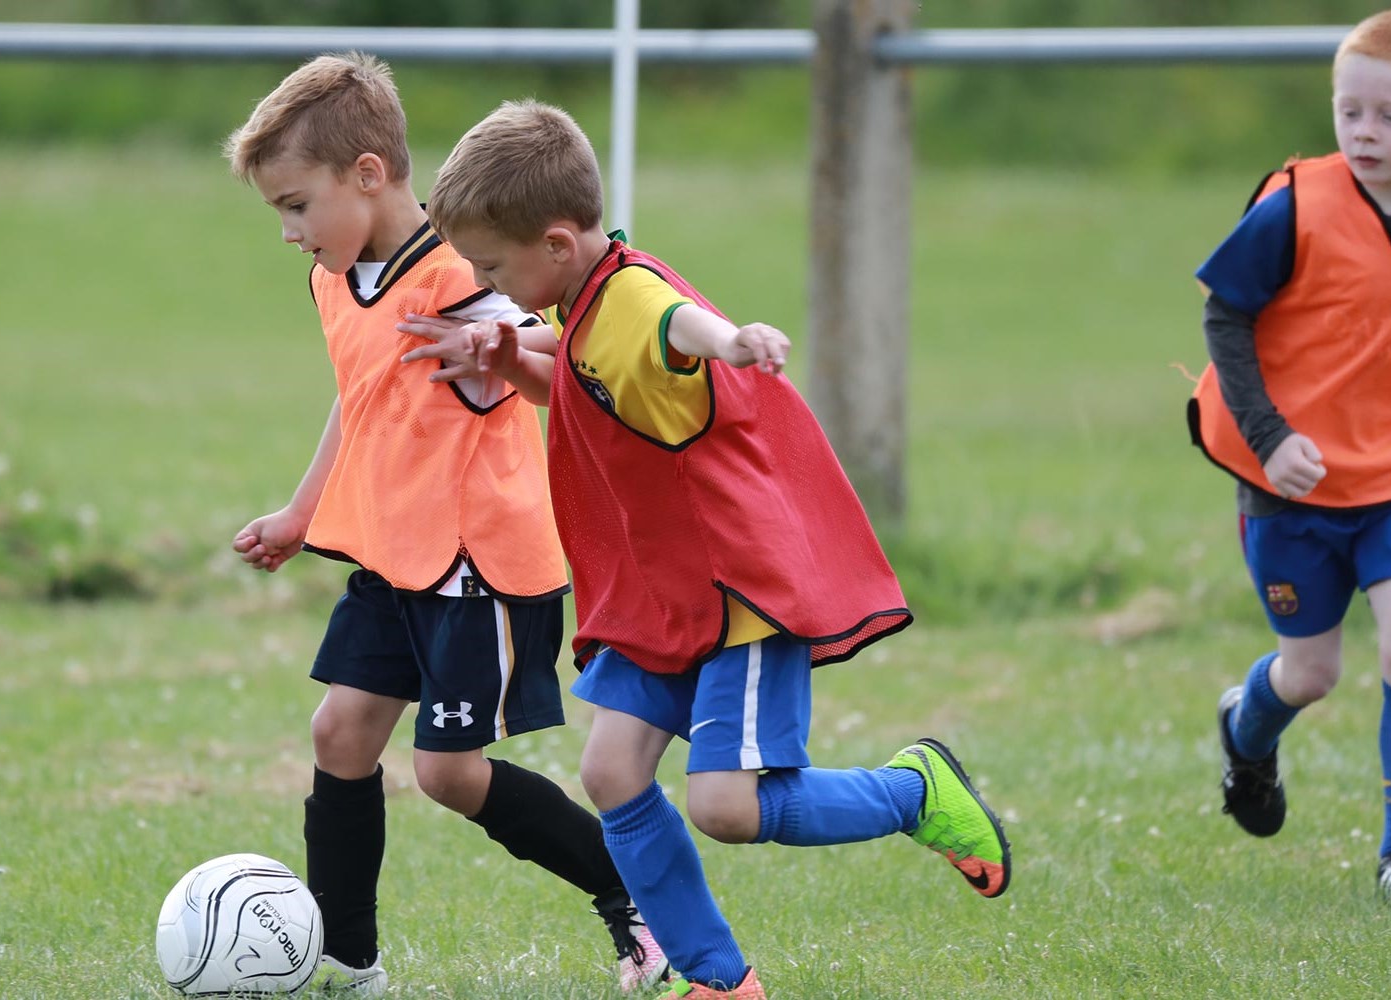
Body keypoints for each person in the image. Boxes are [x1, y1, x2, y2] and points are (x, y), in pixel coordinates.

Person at [411, 99, 1013, 1000]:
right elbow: (584, 389)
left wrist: (735, 340)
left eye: (494, 266)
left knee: (726, 807)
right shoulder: (579, 302)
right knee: (611, 771)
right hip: (664, 600)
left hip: (736, 595)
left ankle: (915, 792)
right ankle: (719, 982)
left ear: (560, 243)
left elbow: (679, 326)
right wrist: (505, 358)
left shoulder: (633, 296)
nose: (489, 284)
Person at [222, 54, 667, 994]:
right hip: (392, 554)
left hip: (478, 565)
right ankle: (347, 962)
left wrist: (491, 341)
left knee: (447, 773)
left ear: (369, 175)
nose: (291, 232)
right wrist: (305, 512)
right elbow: (362, 393)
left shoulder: (460, 273)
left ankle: (638, 898)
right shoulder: (337, 279)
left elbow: (564, 334)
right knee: (340, 734)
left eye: (298, 205)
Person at [1189, 8, 1391, 903]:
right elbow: (1225, 315)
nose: (1365, 133)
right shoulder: (1297, 205)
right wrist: (1271, 437)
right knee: (1312, 673)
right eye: (1349, 112)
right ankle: (1244, 736)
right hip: (1292, 487)